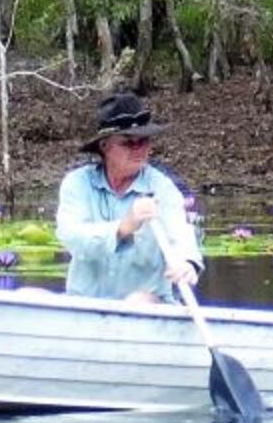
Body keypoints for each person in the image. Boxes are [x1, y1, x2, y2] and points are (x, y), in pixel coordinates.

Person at [51, 93, 202, 303]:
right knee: (26, 297)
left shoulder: (162, 187)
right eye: (128, 142)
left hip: (150, 303)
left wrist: (188, 263)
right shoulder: (77, 183)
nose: (139, 149)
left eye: (144, 141)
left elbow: (181, 233)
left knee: (137, 302)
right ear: (105, 146)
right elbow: (72, 237)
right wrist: (122, 228)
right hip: (84, 303)